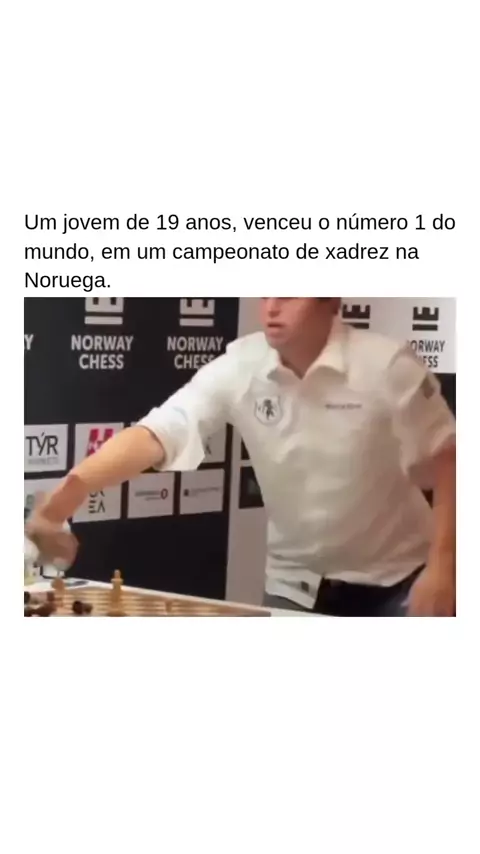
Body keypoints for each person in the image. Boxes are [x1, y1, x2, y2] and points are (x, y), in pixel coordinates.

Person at [26, 298, 456, 617]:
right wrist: (65, 497)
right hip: (294, 584)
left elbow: (450, 461)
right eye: (266, 294)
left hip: (399, 585)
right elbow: (157, 433)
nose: (272, 308)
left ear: (330, 301)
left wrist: (445, 566)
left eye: (289, 295)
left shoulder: (386, 365)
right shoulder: (241, 365)